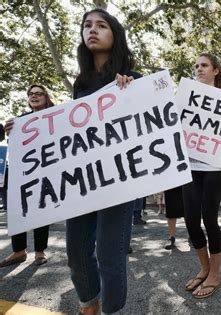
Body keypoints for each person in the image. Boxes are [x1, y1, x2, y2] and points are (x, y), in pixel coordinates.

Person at [65, 9, 141, 314]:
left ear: (115, 34)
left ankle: (111, 310)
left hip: (118, 183)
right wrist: (26, 130)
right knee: (76, 251)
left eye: (101, 25)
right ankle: (89, 303)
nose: (92, 30)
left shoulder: (133, 79)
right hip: (83, 180)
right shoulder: (80, 83)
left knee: (110, 255)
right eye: (87, 26)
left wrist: (130, 93)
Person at [182, 53, 221, 298]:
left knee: (209, 220)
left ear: (215, 71)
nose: (199, 69)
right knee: (190, 221)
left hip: (215, 169)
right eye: (196, 65)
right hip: (190, 167)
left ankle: (215, 275)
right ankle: (204, 268)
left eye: (204, 65)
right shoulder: (185, 98)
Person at [0, 84, 53, 268]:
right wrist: (9, 129)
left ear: (46, 97)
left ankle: (40, 252)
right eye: (31, 93)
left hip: (46, 170)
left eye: (38, 93)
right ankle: (19, 251)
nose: (34, 96)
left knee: (40, 210)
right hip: (22, 172)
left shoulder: (57, 116)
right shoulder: (20, 121)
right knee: (18, 209)